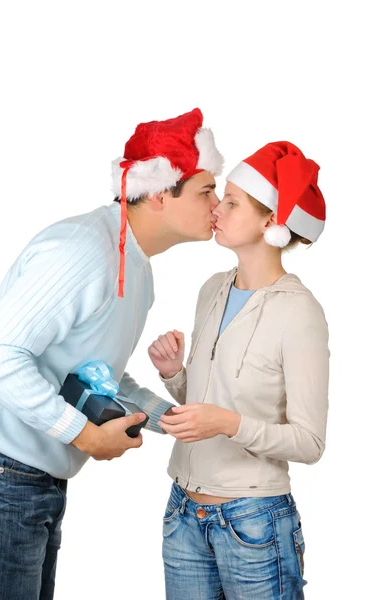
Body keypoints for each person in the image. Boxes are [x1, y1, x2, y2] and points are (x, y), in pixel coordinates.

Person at [0, 107, 224, 599]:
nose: (218, 204)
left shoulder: (135, 267)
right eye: (208, 190)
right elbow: (0, 354)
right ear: (161, 193)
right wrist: (83, 435)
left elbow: (96, 378)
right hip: (4, 478)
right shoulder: (84, 250)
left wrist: (177, 420)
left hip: (33, 485)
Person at [149, 141, 329, 599]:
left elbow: (309, 442)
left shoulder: (300, 312)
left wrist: (228, 425)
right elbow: (206, 403)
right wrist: (174, 375)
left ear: (271, 221)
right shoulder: (212, 289)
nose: (216, 210)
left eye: (231, 203)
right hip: (183, 513)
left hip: (255, 524)